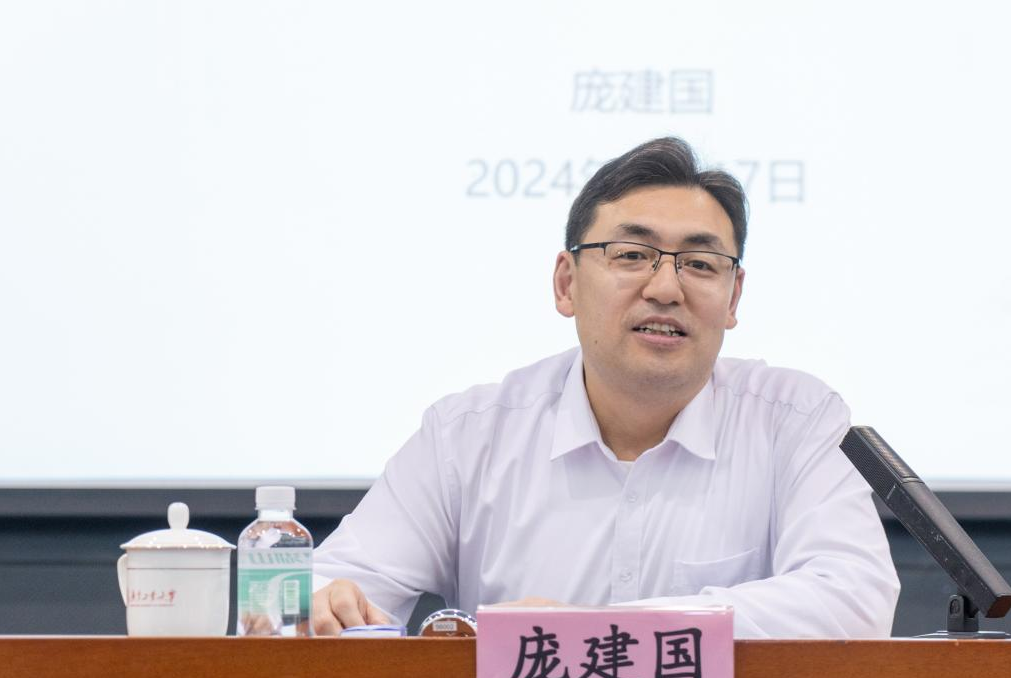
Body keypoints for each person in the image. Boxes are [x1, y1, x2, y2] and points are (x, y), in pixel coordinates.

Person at [311, 137, 900, 638]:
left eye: (700, 264)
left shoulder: (795, 420)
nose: (665, 289)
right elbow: (332, 588)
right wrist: (328, 604)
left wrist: (599, 631)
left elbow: (853, 598)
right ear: (566, 284)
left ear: (733, 298)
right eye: (632, 255)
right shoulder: (467, 437)